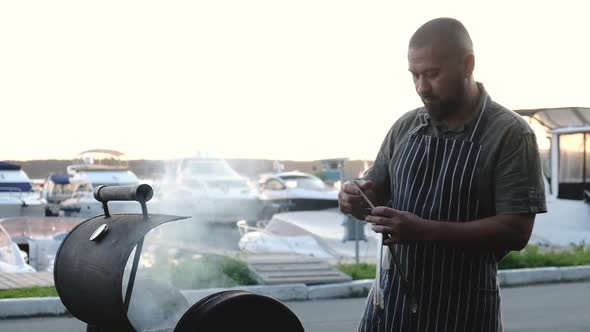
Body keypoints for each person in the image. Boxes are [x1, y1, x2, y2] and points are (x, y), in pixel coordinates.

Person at [338, 17, 546, 332]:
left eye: (433, 74)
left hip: (463, 311)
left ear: (468, 64)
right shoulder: (406, 126)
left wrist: (425, 231)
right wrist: (353, 201)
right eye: (415, 75)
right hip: (389, 307)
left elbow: (516, 231)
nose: (422, 87)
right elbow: (373, 195)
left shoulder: (510, 133)